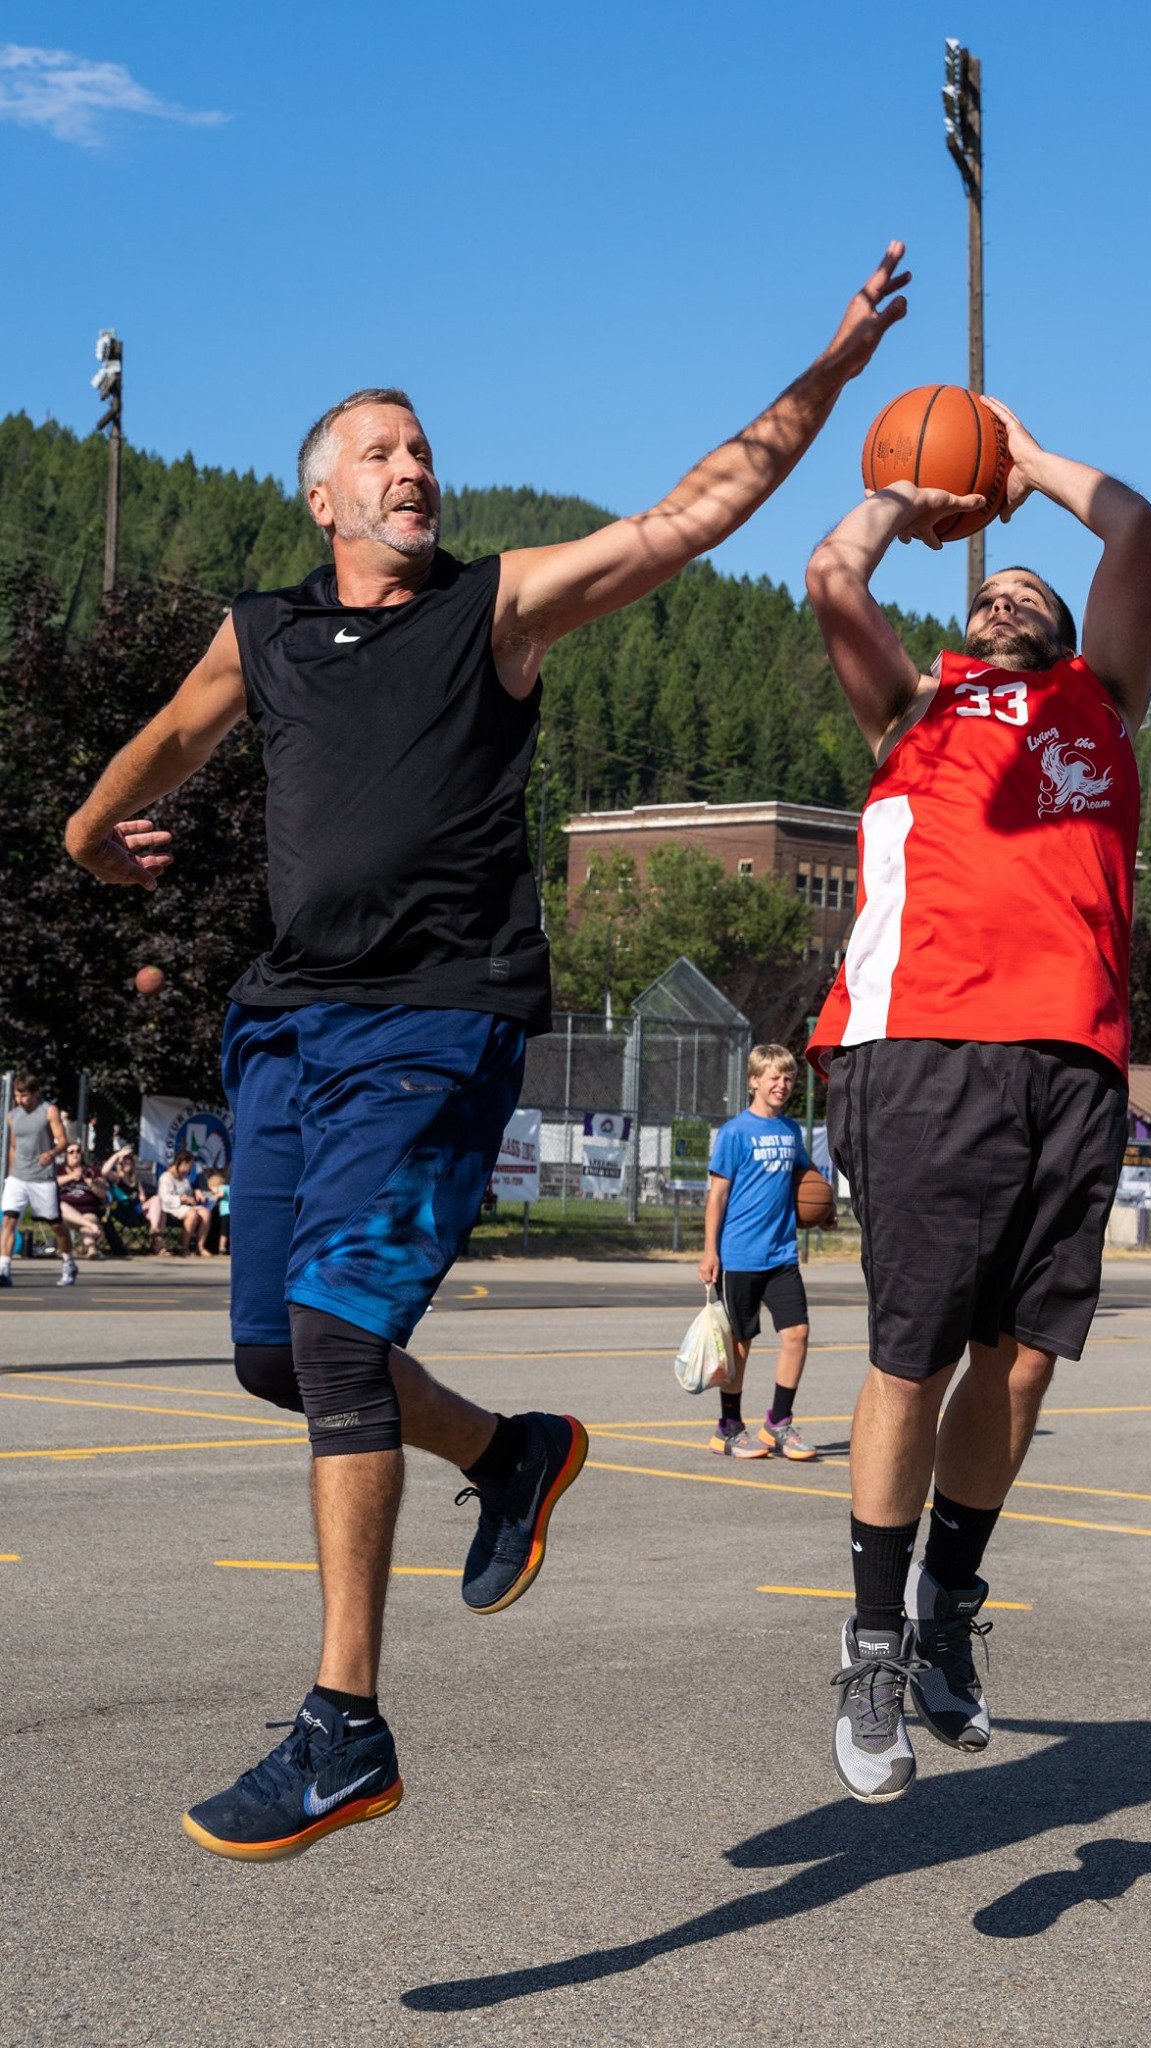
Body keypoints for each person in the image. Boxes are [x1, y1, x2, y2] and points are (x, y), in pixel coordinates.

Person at [63, 245, 913, 1861]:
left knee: (325, 1332)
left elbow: (689, 512)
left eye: (422, 447)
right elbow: (168, 734)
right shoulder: (268, 633)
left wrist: (829, 368)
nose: (413, 467)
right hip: (284, 1027)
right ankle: (509, 1449)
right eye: (380, 451)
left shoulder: (492, 607)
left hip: (435, 1023)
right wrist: (92, 829)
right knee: (271, 1353)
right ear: (319, 495)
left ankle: (343, 1724)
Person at [804, 397, 1151, 1802]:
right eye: (990, 592)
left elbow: (1132, 522)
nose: (1004, 600)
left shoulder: (1103, 707)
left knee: (1022, 1359)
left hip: (1075, 1055)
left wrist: (1017, 462)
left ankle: (949, 1607)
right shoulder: (917, 706)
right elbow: (835, 577)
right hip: (924, 1042)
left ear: (1068, 637)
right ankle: (873, 1646)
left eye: (1028, 593)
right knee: (916, 1350)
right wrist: (913, 490)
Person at [699, 1044, 819, 1462]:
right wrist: (710, 1251)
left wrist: (825, 1208)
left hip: (782, 1254)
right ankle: (728, 1429)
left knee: (798, 1334)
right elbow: (717, 1197)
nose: (782, 1085)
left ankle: (778, 1425)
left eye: (788, 1078)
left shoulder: (791, 1132)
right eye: (773, 1077)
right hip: (740, 1255)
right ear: (753, 1080)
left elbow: (807, 1179)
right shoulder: (735, 1132)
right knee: (741, 1345)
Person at [1, 1075, 79, 1289]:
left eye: (24, 1095)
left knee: (55, 1224)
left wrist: (51, 1154)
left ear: (35, 1094)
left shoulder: (48, 1111)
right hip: (18, 1177)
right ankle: (4, 1269)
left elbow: (63, 1141)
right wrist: (10, 1173)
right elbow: (14, 1146)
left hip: (42, 1178)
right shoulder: (12, 1116)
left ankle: (68, 1262)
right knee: (8, 1220)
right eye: (17, 1095)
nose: (19, 1099)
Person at [57, 1144, 117, 1259]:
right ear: (66, 1155)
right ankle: (92, 1228)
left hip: (88, 1210)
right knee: (60, 1205)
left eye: (78, 1151)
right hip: (66, 1213)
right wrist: (71, 1176)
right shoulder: (59, 1169)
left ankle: (91, 1250)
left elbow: (102, 1194)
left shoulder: (92, 1171)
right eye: (71, 1152)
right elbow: (53, 1183)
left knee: (87, 1223)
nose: (75, 1154)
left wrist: (91, 1183)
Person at [157, 1149, 213, 1256]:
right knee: (192, 1214)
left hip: (184, 1206)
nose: (190, 1169)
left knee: (206, 1212)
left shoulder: (184, 1179)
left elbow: (189, 1192)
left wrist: (196, 1191)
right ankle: (184, 1247)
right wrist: (181, 1199)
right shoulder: (166, 1178)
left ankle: (200, 1247)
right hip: (170, 1208)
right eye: (189, 1166)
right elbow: (164, 1198)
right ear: (182, 1163)